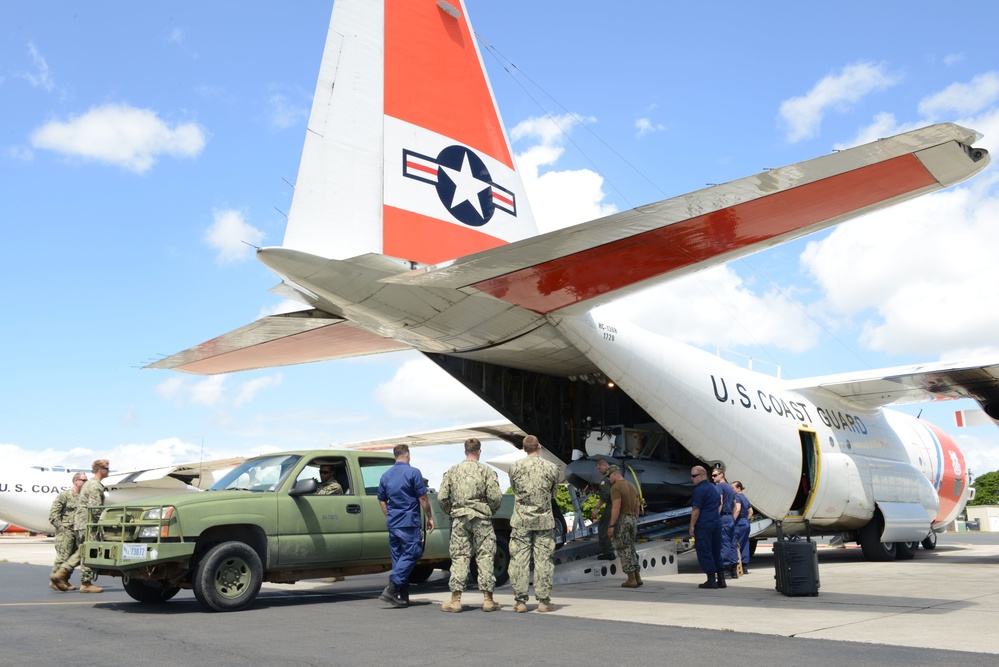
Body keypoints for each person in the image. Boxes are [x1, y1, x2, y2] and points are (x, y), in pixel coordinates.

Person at [437, 438, 503, 613]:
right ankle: (488, 600)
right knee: (486, 556)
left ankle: (456, 600)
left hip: (460, 519)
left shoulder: (453, 471)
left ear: (465, 451)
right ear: (479, 451)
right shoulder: (487, 471)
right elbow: (496, 498)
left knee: (460, 557)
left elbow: (442, 498)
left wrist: (452, 510)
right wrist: (489, 510)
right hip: (482, 518)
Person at [377, 444, 434, 608]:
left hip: (394, 522)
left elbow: (381, 500)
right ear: (407, 455)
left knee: (399, 558)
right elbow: (423, 498)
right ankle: (392, 587)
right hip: (409, 522)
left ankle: (402, 596)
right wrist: (430, 517)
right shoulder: (413, 472)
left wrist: (389, 516)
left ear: (396, 456)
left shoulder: (386, 475)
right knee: (413, 552)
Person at [508, 434, 561, 613]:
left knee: (519, 560)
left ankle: (520, 602)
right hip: (544, 520)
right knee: (543, 560)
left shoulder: (515, 467)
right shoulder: (551, 468)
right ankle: (544, 602)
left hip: (521, 520)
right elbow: (553, 494)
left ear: (524, 448)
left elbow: (515, 489)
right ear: (539, 447)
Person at [51, 459, 110, 593]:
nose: (108, 471)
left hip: (79, 523)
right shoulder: (95, 486)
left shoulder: (88, 484)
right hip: (88, 523)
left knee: (82, 551)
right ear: (100, 469)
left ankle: (62, 574)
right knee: (89, 551)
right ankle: (84, 582)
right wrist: (102, 523)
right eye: (107, 469)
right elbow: (95, 509)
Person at [48, 472, 86, 591]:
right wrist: (61, 527)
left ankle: (64, 580)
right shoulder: (65, 495)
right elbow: (53, 514)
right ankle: (55, 581)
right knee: (63, 557)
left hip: (78, 531)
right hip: (66, 531)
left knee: (72, 558)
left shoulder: (84, 498)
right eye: (83, 480)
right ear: (76, 481)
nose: (86, 482)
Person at [605, 466, 642, 588]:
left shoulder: (616, 488)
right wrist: (635, 517)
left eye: (609, 476)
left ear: (614, 474)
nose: (608, 479)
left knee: (623, 548)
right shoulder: (631, 485)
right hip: (632, 519)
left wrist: (611, 525)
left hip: (622, 519)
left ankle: (631, 579)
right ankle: (637, 576)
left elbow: (616, 506)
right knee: (631, 547)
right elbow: (637, 504)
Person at [689, 465, 724, 589]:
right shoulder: (715, 488)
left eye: (694, 476)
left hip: (704, 525)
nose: (692, 478)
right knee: (716, 551)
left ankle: (711, 580)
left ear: (702, 475)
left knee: (705, 550)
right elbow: (720, 505)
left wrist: (692, 526)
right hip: (716, 523)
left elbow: (696, 509)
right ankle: (721, 579)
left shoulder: (699, 490)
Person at [713, 467, 738, 579]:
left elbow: (720, 502)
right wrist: (732, 517)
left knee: (724, 543)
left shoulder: (719, 487)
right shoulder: (729, 487)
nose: (713, 477)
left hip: (723, 517)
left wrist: (716, 516)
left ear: (721, 475)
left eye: (715, 475)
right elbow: (734, 504)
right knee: (732, 543)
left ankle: (726, 569)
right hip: (730, 517)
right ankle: (734, 571)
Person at [589, 459, 616, 560]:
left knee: (603, 527)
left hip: (612, 505)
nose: (599, 471)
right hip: (621, 503)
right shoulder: (616, 476)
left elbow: (605, 495)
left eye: (600, 468)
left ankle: (608, 552)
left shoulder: (605, 480)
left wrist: (596, 508)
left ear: (605, 466)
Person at [732, 481, 754, 574]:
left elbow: (738, 509)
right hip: (745, 522)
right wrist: (746, 520)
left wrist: (732, 520)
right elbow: (751, 511)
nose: (732, 490)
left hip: (739, 523)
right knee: (745, 544)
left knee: (736, 544)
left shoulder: (737, 497)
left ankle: (735, 567)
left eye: (733, 488)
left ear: (738, 488)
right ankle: (744, 566)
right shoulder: (745, 497)